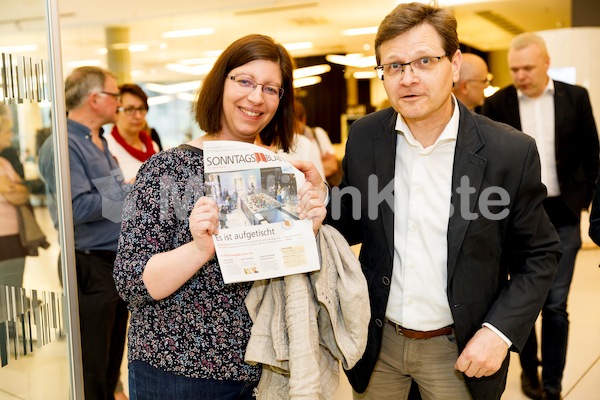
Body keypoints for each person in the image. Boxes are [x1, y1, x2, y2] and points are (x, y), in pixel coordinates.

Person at [324, 3, 561, 399]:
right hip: (379, 343)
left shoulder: (509, 151)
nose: (408, 78)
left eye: (424, 61)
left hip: (459, 349)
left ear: (454, 64)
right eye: (394, 66)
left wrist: (498, 332)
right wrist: (316, 201)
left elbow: (540, 254)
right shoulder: (366, 137)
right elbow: (352, 219)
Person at [113, 34, 326, 399]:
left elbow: (287, 272)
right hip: (177, 373)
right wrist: (199, 249)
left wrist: (309, 226)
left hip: (262, 369)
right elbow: (131, 283)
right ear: (220, 84)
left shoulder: (277, 170)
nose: (256, 97)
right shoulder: (167, 169)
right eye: (244, 81)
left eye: (271, 88)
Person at [482, 32, 599, 400]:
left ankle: (552, 384)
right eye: (514, 69)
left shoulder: (574, 97)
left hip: (563, 212)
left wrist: (583, 199)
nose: (520, 75)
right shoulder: (498, 103)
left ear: (546, 62)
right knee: (522, 298)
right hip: (517, 217)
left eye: (528, 67)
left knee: (555, 304)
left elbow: (591, 152)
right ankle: (529, 371)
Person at [38, 66, 129, 400]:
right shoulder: (62, 145)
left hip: (113, 262)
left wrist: (121, 193)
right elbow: (75, 209)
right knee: (92, 364)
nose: (118, 103)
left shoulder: (99, 141)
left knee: (109, 360)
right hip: (89, 265)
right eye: (115, 95)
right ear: (95, 99)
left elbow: (109, 201)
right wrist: (126, 190)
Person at [105, 83, 160, 182]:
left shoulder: (152, 146)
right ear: (116, 111)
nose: (138, 116)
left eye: (141, 108)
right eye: (130, 109)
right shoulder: (107, 146)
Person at [296, 100, 342, 186]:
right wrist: (320, 162)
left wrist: (301, 172)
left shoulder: (317, 133)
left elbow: (332, 165)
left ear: (303, 120)